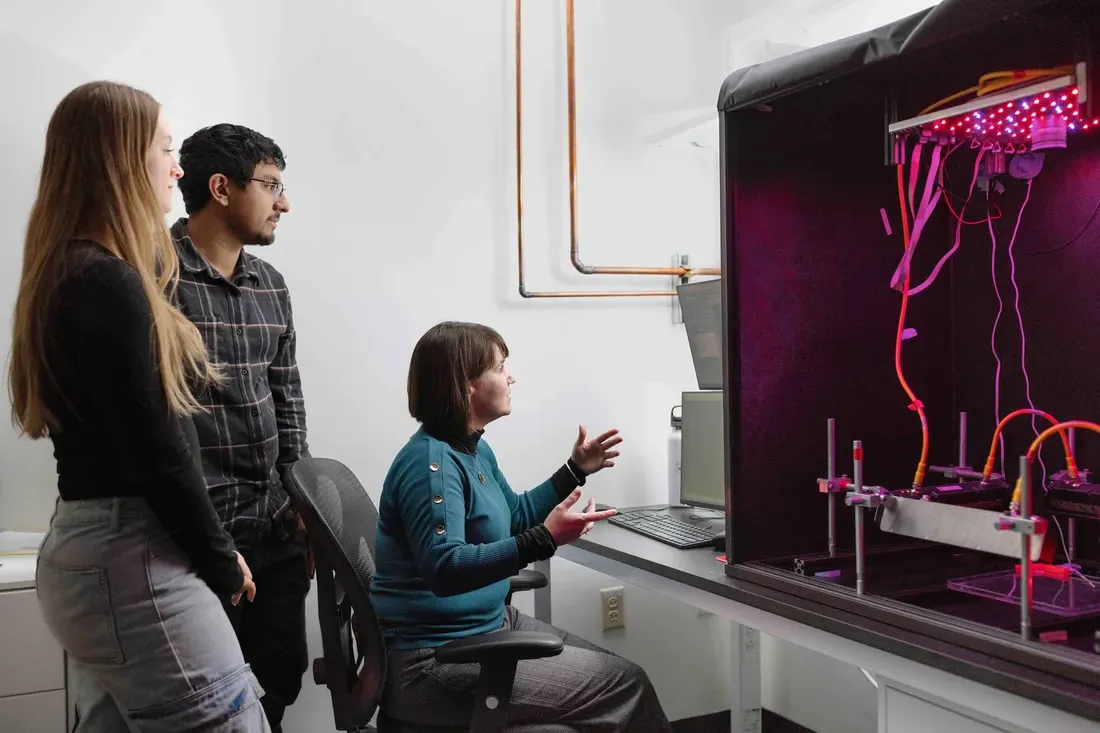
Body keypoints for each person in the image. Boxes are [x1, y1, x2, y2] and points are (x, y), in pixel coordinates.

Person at [9, 81, 269, 731]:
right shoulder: (107, 281)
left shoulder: (69, 271)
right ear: (119, 159)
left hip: (88, 552)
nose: (177, 166)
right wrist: (219, 556)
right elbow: (159, 451)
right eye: (166, 147)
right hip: (134, 562)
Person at [371, 321, 674, 731]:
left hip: (483, 628)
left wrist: (574, 470)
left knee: (618, 672)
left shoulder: (473, 449)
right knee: (626, 686)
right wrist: (544, 539)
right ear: (466, 385)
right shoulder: (431, 466)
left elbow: (513, 516)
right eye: (499, 367)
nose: (510, 376)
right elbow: (443, 568)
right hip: (433, 661)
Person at [171, 123, 309, 732]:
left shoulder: (270, 285)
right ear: (221, 188)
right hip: (197, 541)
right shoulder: (152, 280)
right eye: (271, 185)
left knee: (275, 685)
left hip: (276, 529)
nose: (283, 201)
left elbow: (288, 399)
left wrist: (300, 497)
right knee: (208, 703)